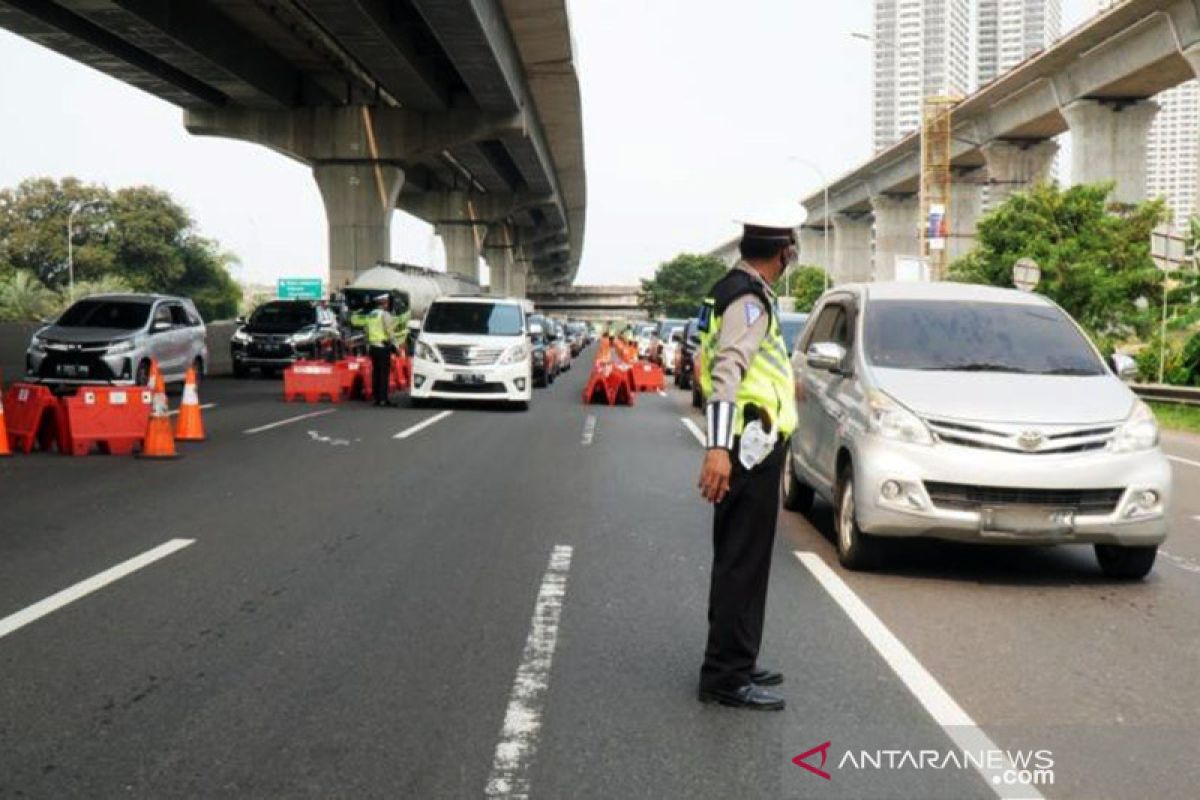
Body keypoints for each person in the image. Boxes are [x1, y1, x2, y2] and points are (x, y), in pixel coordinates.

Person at [695, 208, 802, 711]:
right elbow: (726, 373)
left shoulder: (732, 289)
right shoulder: (748, 301)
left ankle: (735, 658)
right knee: (743, 561)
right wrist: (717, 448)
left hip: (750, 443)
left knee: (742, 558)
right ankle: (725, 676)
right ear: (784, 252)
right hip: (746, 446)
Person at [364, 293, 397, 407]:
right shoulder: (385, 315)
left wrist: (368, 346)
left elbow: (367, 332)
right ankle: (383, 399)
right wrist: (395, 346)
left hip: (373, 347)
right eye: (387, 302)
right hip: (383, 347)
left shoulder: (371, 315)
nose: (388, 304)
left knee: (376, 373)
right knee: (384, 374)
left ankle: (377, 398)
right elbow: (390, 331)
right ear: (384, 303)